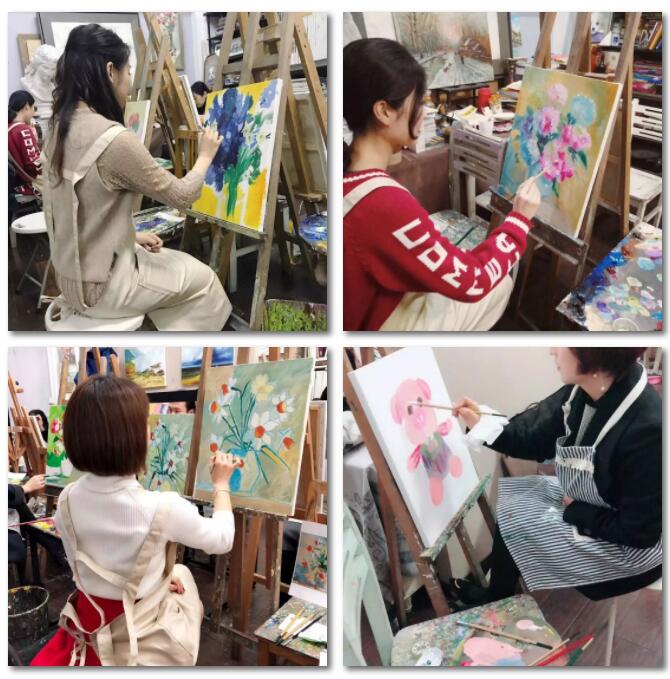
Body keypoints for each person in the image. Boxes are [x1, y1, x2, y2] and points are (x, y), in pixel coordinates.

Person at [31, 375, 243, 666]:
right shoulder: (163, 507)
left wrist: (153, 579)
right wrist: (221, 485)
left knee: (177, 573)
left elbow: (94, 560)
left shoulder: (67, 499)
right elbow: (222, 539)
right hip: (138, 638)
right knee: (184, 577)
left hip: (88, 624)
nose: (150, 431)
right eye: (145, 423)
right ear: (132, 437)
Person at [343, 38, 541, 331]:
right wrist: (518, 222)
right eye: (418, 101)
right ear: (384, 111)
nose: (424, 112)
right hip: (375, 333)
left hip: (372, 307)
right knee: (499, 284)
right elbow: (473, 282)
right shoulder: (382, 202)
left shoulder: (346, 174)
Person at [42, 24, 231, 331]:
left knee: (167, 260)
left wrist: (129, 237)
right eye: (128, 72)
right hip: (102, 289)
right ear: (110, 71)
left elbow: (82, 208)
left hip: (67, 278)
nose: (130, 85)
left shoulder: (56, 128)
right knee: (205, 280)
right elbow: (182, 196)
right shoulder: (113, 139)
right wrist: (206, 156)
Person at [450, 348, 661, 606]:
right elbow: (536, 438)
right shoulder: (583, 390)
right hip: (599, 501)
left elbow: (640, 533)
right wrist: (482, 423)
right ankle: (498, 596)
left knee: (520, 524)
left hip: (632, 549)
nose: (552, 351)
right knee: (515, 506)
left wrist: (578, 510)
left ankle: (498, 598)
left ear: (595, 356)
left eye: (563, 344)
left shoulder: (649, 430)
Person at [8, 90, 42, 195]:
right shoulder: (23, 130)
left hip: (14, 184)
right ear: (27, 106)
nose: (33, 112)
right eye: (33, 108)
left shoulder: (9, 127)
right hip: (29, 184)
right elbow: (34, 164)